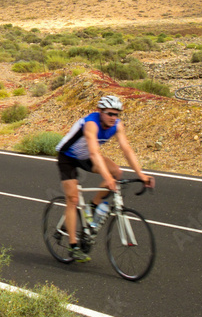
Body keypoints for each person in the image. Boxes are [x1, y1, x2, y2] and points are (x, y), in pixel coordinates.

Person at [56, 94, 155, 262]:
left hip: (86, 157)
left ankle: (92, 206)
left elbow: (127, 149)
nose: (113, 117)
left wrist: (141, 174)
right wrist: (107, 178)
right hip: (68, 157)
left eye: (116, 114)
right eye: (109, 113)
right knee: (72, 199)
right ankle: (74, 246)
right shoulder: (91, 124)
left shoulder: (117, 125)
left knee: (117, 172)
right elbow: (95, 152)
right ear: (100, 111)